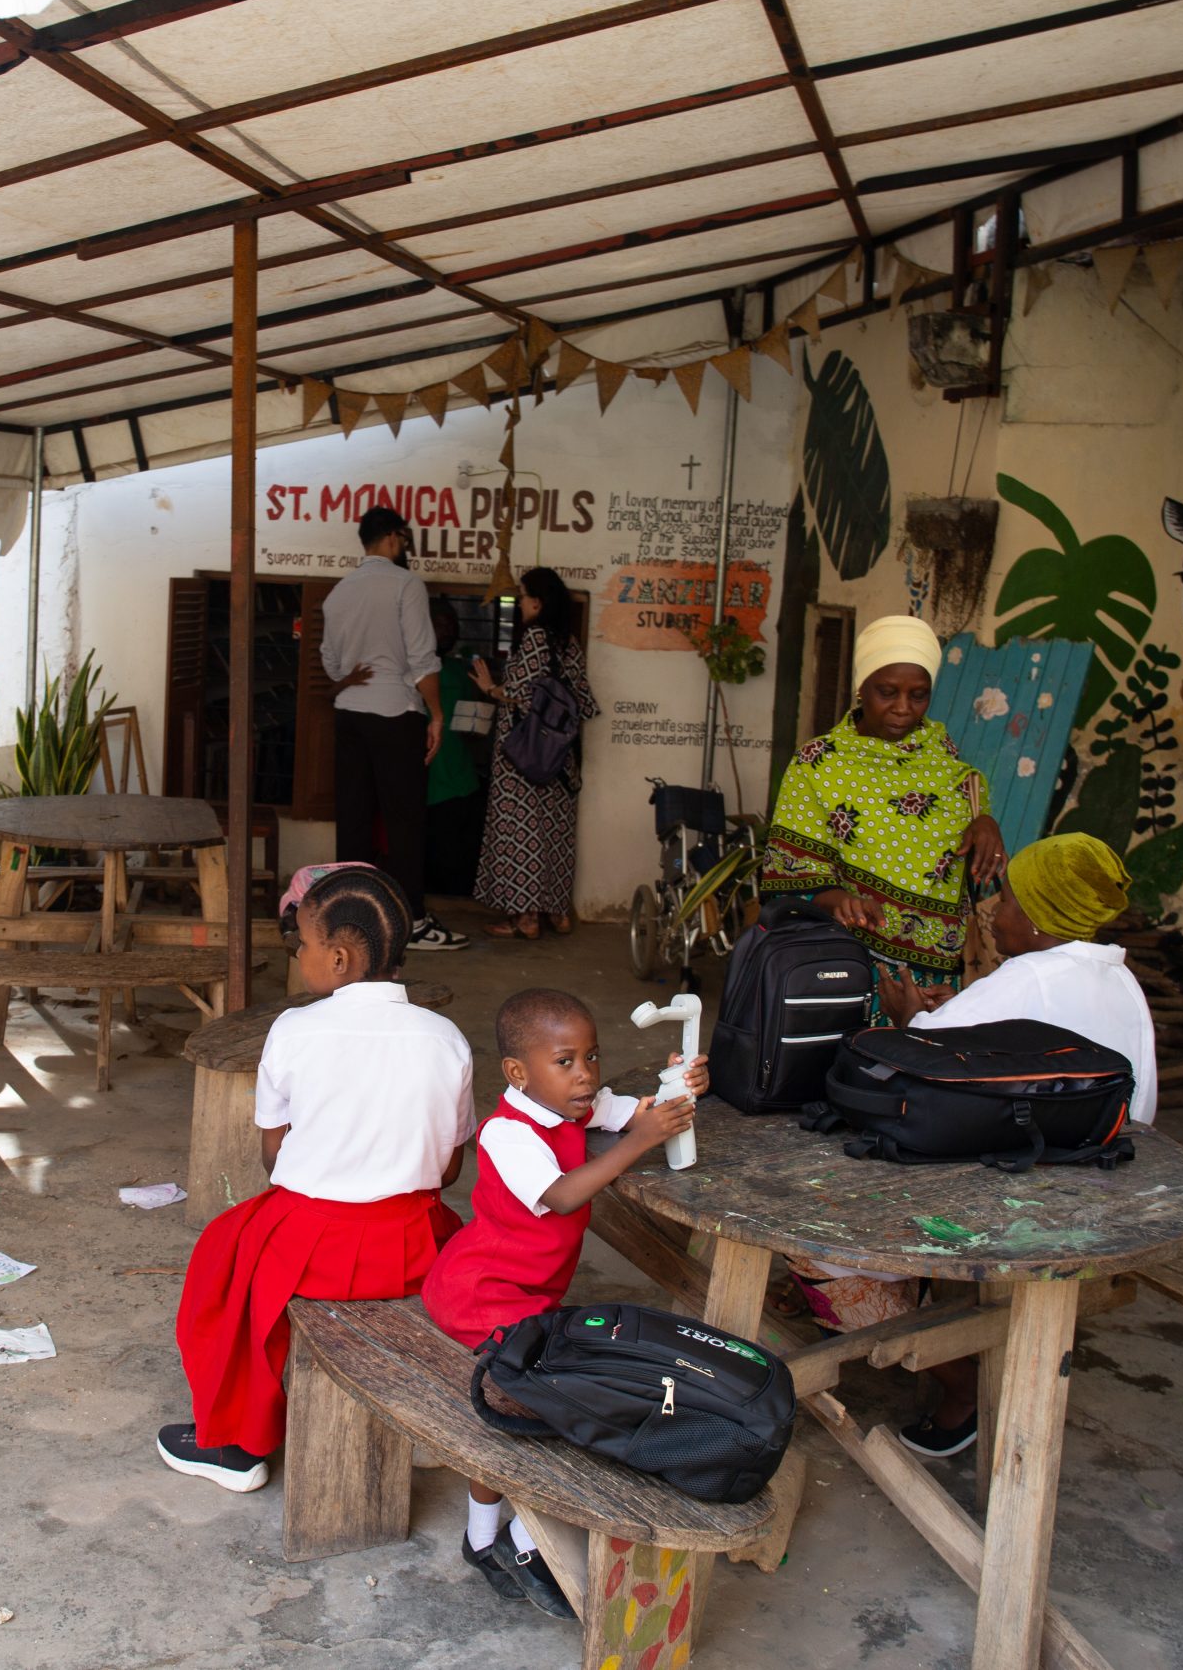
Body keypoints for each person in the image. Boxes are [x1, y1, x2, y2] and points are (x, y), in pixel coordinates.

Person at [161, 866, 472, 1491]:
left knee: (223, 1274)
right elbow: (448, 1168)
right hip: (414, 1245)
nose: (298, 955)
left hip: (311, 1242)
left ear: (338, 958)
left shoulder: (294, 1030)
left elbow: (274, 1157)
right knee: (464, 1246)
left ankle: (235, 1447)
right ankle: (429, 1426)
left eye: (301, 943)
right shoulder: (447, 1039)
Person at [421, 987, 701, 1616]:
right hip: (481, 1294)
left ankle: (495, 1540)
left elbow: (636, 1112)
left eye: (592, 1057)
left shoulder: (575, 1105)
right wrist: (641, 1141)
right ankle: (511, 1539)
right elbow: (564, 1194)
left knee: (547, 1397)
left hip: (526, 1297)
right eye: (566, 1061)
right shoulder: (506, 1133)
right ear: (518, 1073)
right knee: (548, 1403)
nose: (586, 1075)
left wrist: (679, 1087)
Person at [876, 832, 1151, 1460]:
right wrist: (960, 1014)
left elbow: (925, 1059)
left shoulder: (1027, 974)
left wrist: (905, 1017)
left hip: (1020, 1204)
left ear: (1036, 920)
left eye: (1004, 901)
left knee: (831, 1259)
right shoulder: (1120, 979)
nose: (994, 914)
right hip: (1102, 1189)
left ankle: (961, 1387)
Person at [760, 613, 1006, 1020]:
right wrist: (840, 900)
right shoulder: (818, 763)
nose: (903, 708)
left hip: (939, 978)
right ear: (861, 687)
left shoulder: (941, 753)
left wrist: (985, 823)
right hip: (852, 966)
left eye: (919, 695)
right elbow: (789, 874)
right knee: (859, 1058)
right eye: (887, 692)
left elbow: (968, 811)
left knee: (924, 1056)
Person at [320, 508, 465, 952]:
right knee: (405, 823)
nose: (403, 546)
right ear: (390, 538)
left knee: (354, 820)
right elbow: (422, 659)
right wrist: (436, 714)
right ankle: (411, 922)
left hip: (350, 714)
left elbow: (332, 665)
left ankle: (353, 920)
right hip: (395, 714)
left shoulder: (338, 593)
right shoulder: (406, 585)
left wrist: (352, 677)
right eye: (401, 538)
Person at [472, 568, 597, 940]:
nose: (520, 603)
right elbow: (585, 702)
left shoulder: (535, 638)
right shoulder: (569, 643)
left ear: (537, 602)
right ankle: (557, 914)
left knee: (520, 835)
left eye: (523, 596)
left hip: (522, 758)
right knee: (554, 834)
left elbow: (518, 694)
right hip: (560, 758)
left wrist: (490, 687)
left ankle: (525, 919)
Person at [423, 599, 485, 898]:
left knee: (456, 853)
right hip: (426, 778)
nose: (449, 631)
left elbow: (474, 721)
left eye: (453, 625)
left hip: (459, 777)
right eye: (441, 624)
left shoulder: (460, 671)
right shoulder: (410, 669)